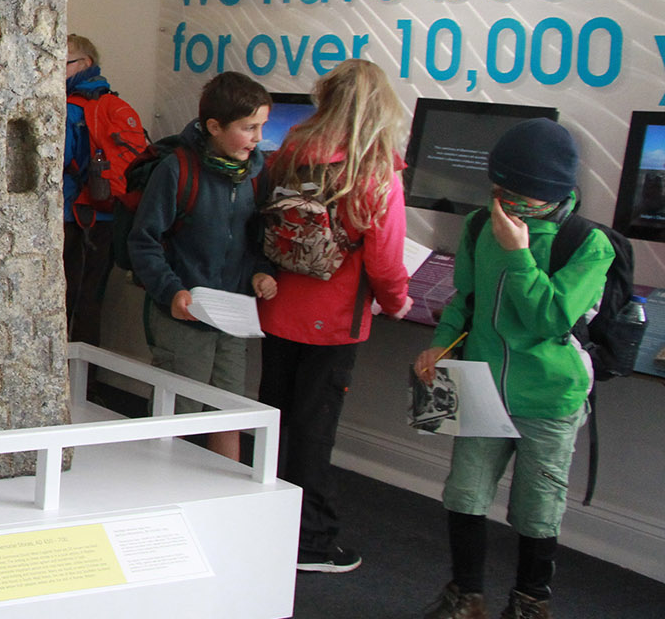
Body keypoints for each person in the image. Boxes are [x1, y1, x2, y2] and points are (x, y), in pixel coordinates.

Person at [413, 119, 613, 619]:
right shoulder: (481, 224)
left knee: (537, 507)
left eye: (514, 191)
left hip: (550, 396)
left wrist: (519, 254)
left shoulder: (587, 243)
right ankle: (466, 595)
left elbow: (551, 318)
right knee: (464, 492)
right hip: (481, 384)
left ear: (550, 191)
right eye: (497, 187)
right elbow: (467, 298)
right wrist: (437, 346)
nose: (501, 198)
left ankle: (529, 602)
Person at [255, 59, 413, 575]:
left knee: (275, 420)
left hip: (277, 308)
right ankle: (312, 542)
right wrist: (397, 304)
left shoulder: (290, 153)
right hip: (334, 320)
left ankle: (264, 523)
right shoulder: (375, 173)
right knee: (314, 431)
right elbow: (386, 262)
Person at [127, 71, 276, 461]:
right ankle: (159, 494)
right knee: (179, 412)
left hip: (234, 316)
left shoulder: (257, 175)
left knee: (229, 410)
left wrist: (262, 273)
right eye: (249, 128)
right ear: (214, 126)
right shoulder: (176, 170)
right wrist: (171, 290)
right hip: (184, 316)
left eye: (261, 126)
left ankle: (226, 503)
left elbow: (258, 240)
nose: (259, 138)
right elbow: (143, 242)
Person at [63, 34, 125, 347]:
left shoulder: (70, 109)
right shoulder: (112, 103)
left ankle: (65, 382)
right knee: (90, 301)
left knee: (63, 300)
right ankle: (87, 383)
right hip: (105, 214)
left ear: (85, 63)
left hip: (71, 215)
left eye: (63, 62)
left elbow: (56, 162)